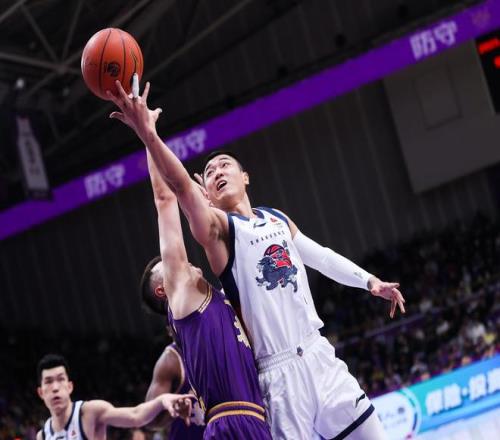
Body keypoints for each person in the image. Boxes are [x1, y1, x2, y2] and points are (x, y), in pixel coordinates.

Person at [108, 78, 404, 439]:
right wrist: (148, 134)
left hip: (318, 356)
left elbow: (322, 258)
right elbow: (179, 189)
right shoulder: (219, 231)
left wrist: (369, 281)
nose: (217, 172)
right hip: (277, 379)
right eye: (210, 173)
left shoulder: (277, 218)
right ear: (207, 196)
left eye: (224, 165)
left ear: (245, 177)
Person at [137, 143, 272, 440]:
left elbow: (233, 243)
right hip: (229, 424)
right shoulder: (183, 302)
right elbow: (164, 199)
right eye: (167, 267)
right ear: (163, 290)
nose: (179, 263)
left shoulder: (220, 299)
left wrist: (212, 206)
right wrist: (148, 135)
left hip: (258, 420)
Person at [36, 353, 192, 440]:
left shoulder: (89, 412)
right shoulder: (43, 436)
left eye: (60, 379)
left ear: (70, 386)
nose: (55, 388)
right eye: (48, 381)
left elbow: (135, 416)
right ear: (41, 392)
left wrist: (162, 400)